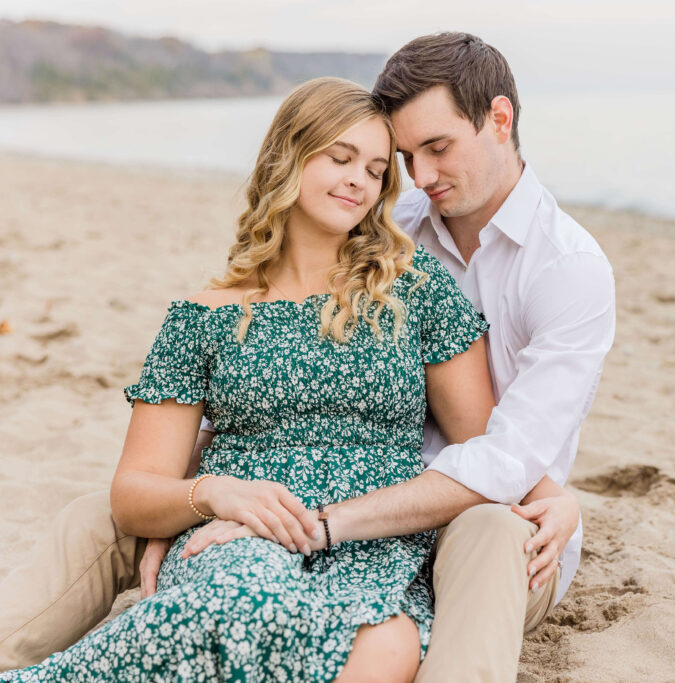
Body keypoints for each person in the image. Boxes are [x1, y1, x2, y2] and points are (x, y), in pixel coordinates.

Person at [0, 32, 616, 682]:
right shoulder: (391, 224)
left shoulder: (530, 272)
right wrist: (200, 498)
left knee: (416, 610)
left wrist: (557, 495)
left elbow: (497, 446)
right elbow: (181, 454)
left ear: (500, 120)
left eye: (383, 167)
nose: (401, 177)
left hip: (441, 516)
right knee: (120, 531)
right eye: (397, 158)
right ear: (289, 159)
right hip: (272, 509)